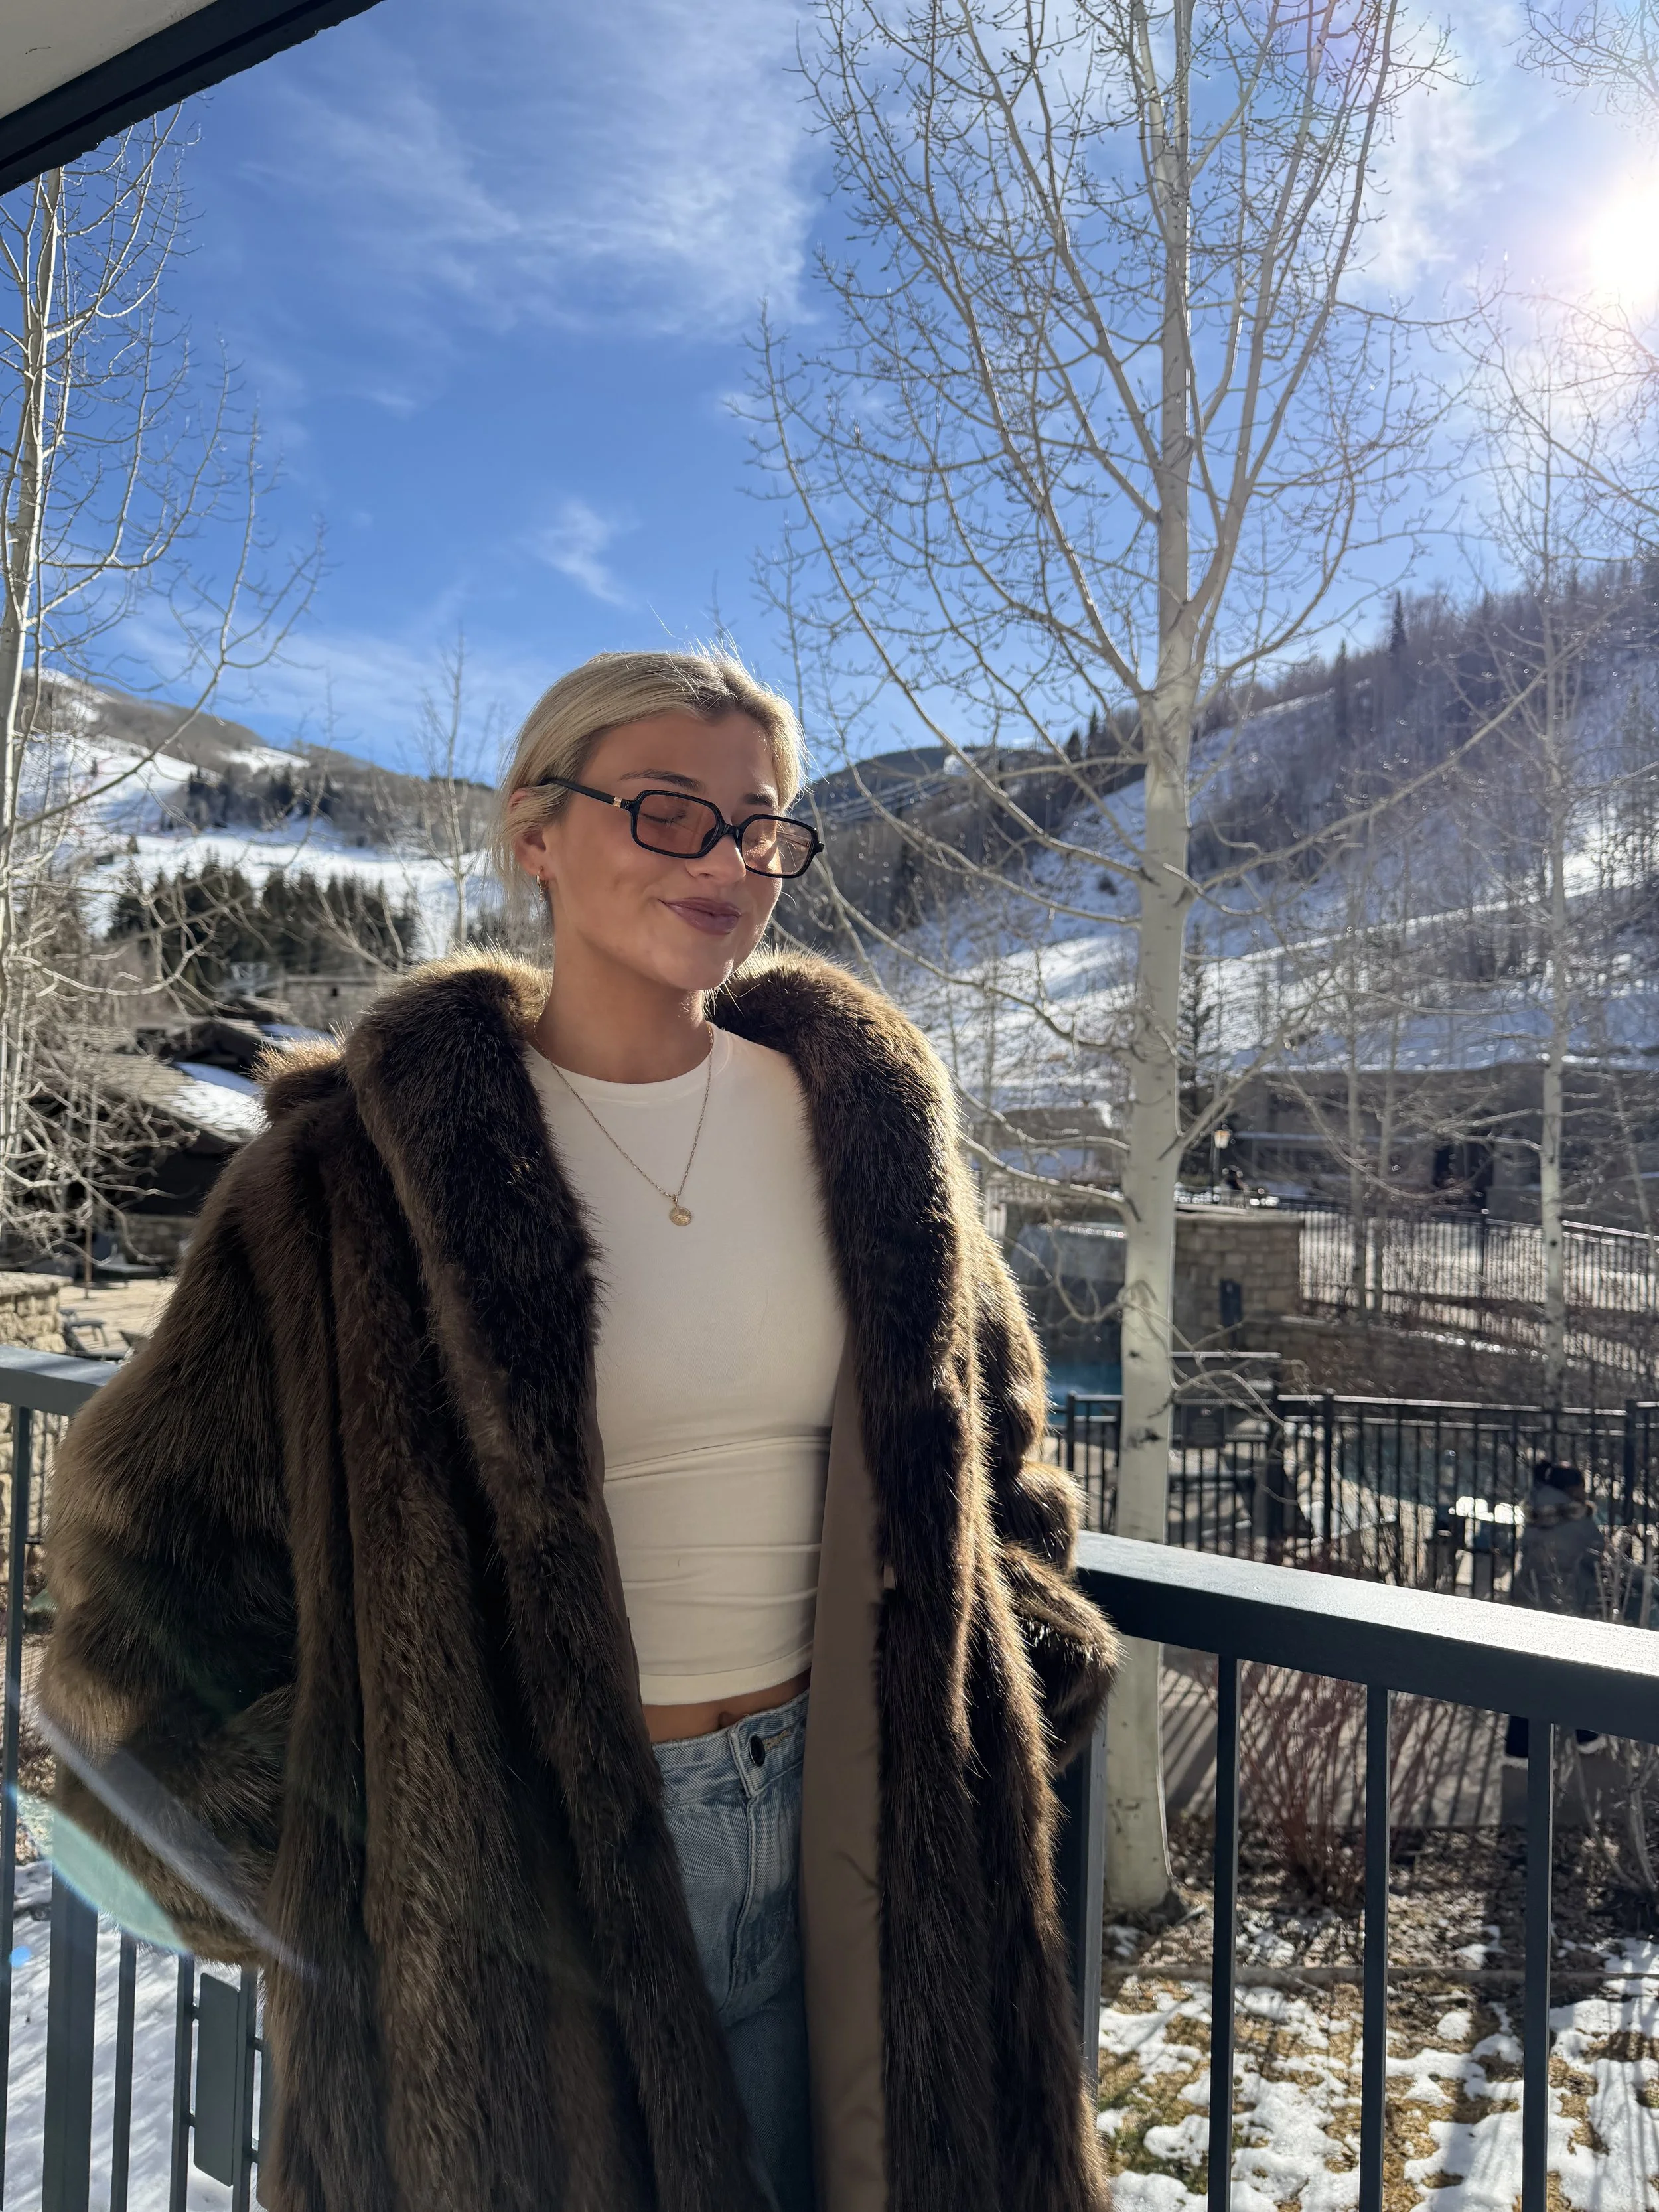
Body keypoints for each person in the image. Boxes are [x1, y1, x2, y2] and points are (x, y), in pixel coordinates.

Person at [35, 650, 1118, 2212]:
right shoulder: (351, 1183)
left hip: (866, 1829)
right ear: (536, 832)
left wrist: (1000, 1675)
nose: (727, 862)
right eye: (670, 812)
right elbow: (151, 1554)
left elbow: (998, 1458)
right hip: (514, 1878)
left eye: (761, 826)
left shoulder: (862, 1124)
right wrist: (344, 1853)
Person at [1504, 1460, 1604, 1759]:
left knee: (1526, 1678)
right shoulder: (1579, 1523)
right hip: (1566, 1608)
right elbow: (1597, 1566)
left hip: (1528, 1605)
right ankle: (1587, 1736)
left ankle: (1518, 1749)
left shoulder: (1536, 1512)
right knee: (1579, 1676)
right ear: (1571, 1488)